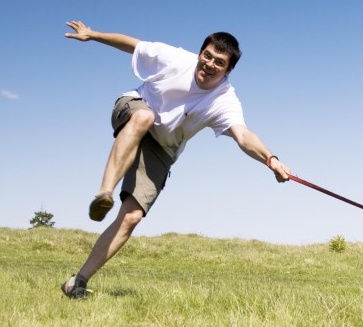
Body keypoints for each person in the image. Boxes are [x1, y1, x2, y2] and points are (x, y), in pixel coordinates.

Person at [60, 21, 291, 299]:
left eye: (219, 62)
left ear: (228, 70)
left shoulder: (225, 100)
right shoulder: (175, 58)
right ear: (199, 53)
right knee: (144, 117)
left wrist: (270, 159)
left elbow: (242, 135)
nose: (208, 64)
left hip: (162, 147)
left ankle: (78, 282)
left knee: (132, 216)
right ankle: (104, 193)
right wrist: (93, 35)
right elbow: (133, 44)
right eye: (206, 55)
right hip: (134, 108)